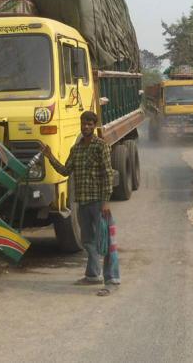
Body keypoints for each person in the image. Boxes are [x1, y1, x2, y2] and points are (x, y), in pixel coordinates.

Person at [41, 111, 120, 296]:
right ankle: (93, 275)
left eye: (90, 124)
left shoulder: (101, 146)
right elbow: (65, 170)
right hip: (83, 203)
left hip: (99, 203)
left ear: (94, 126)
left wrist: (106, 202)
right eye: (84, 123)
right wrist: (50, 156)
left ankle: (112, 280)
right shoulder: (76, 149)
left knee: (106, 242)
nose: (86, 126)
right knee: (88, 241)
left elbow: (108, 174)